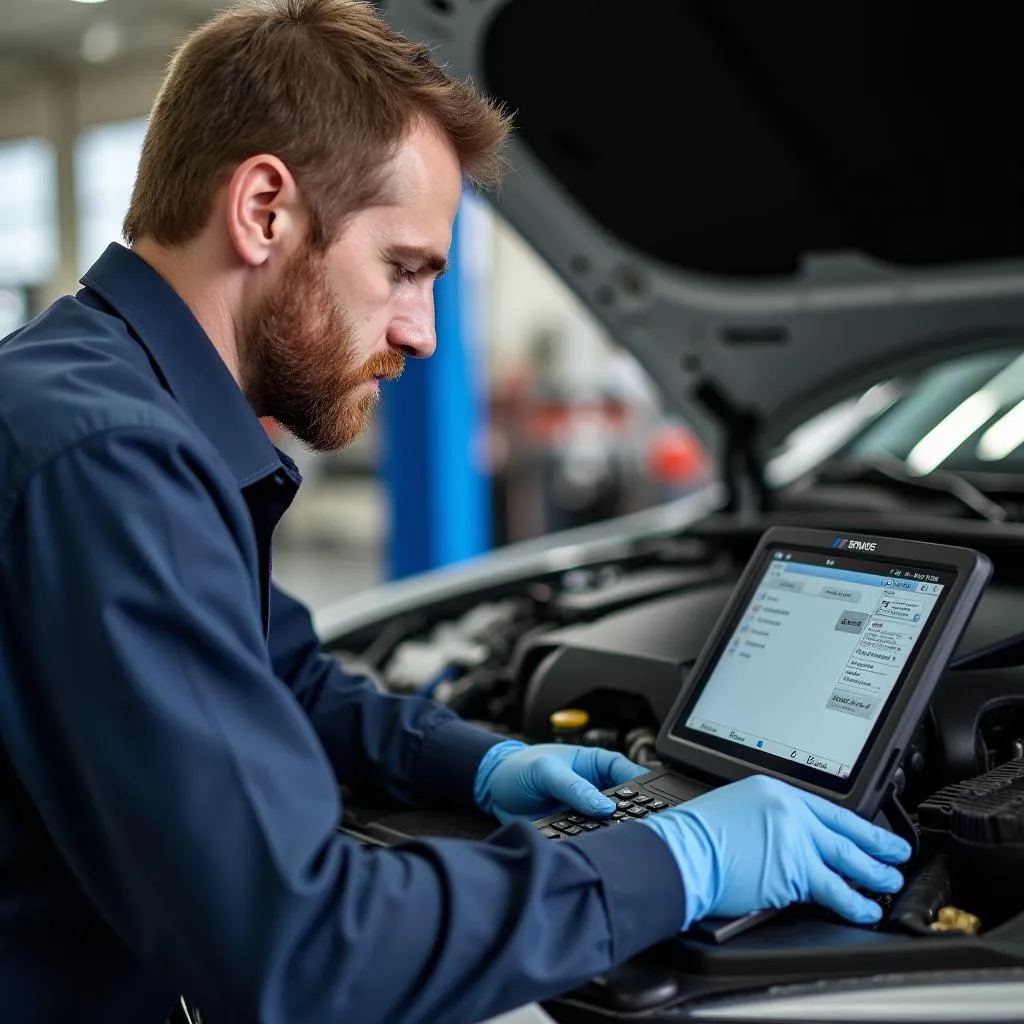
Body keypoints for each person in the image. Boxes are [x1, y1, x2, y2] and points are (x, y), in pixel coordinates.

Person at [0, 2, 911, 1021]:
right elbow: (303, 952)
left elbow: (271, 671)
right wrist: (675, 859)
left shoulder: (94, 392)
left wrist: (482, 762)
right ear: (263, 209)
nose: (422, 333)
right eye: (404, 268)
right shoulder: (114, 458)